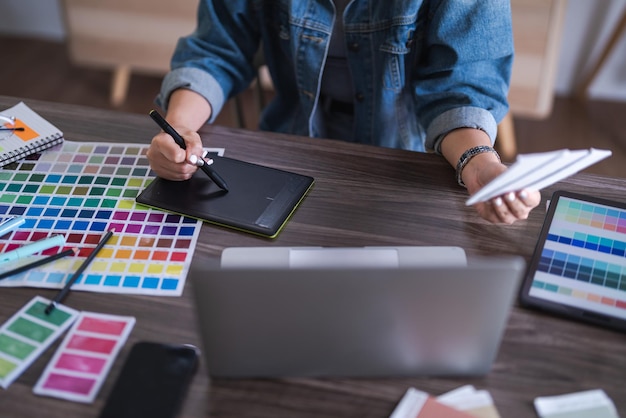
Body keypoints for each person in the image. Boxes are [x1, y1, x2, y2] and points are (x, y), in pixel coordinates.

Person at [146, 0, 541, 224]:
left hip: (402, 162)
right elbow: (216, 51)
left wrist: (477, 163)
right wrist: (179, 128)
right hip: (286, 149)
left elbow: (460, 88)